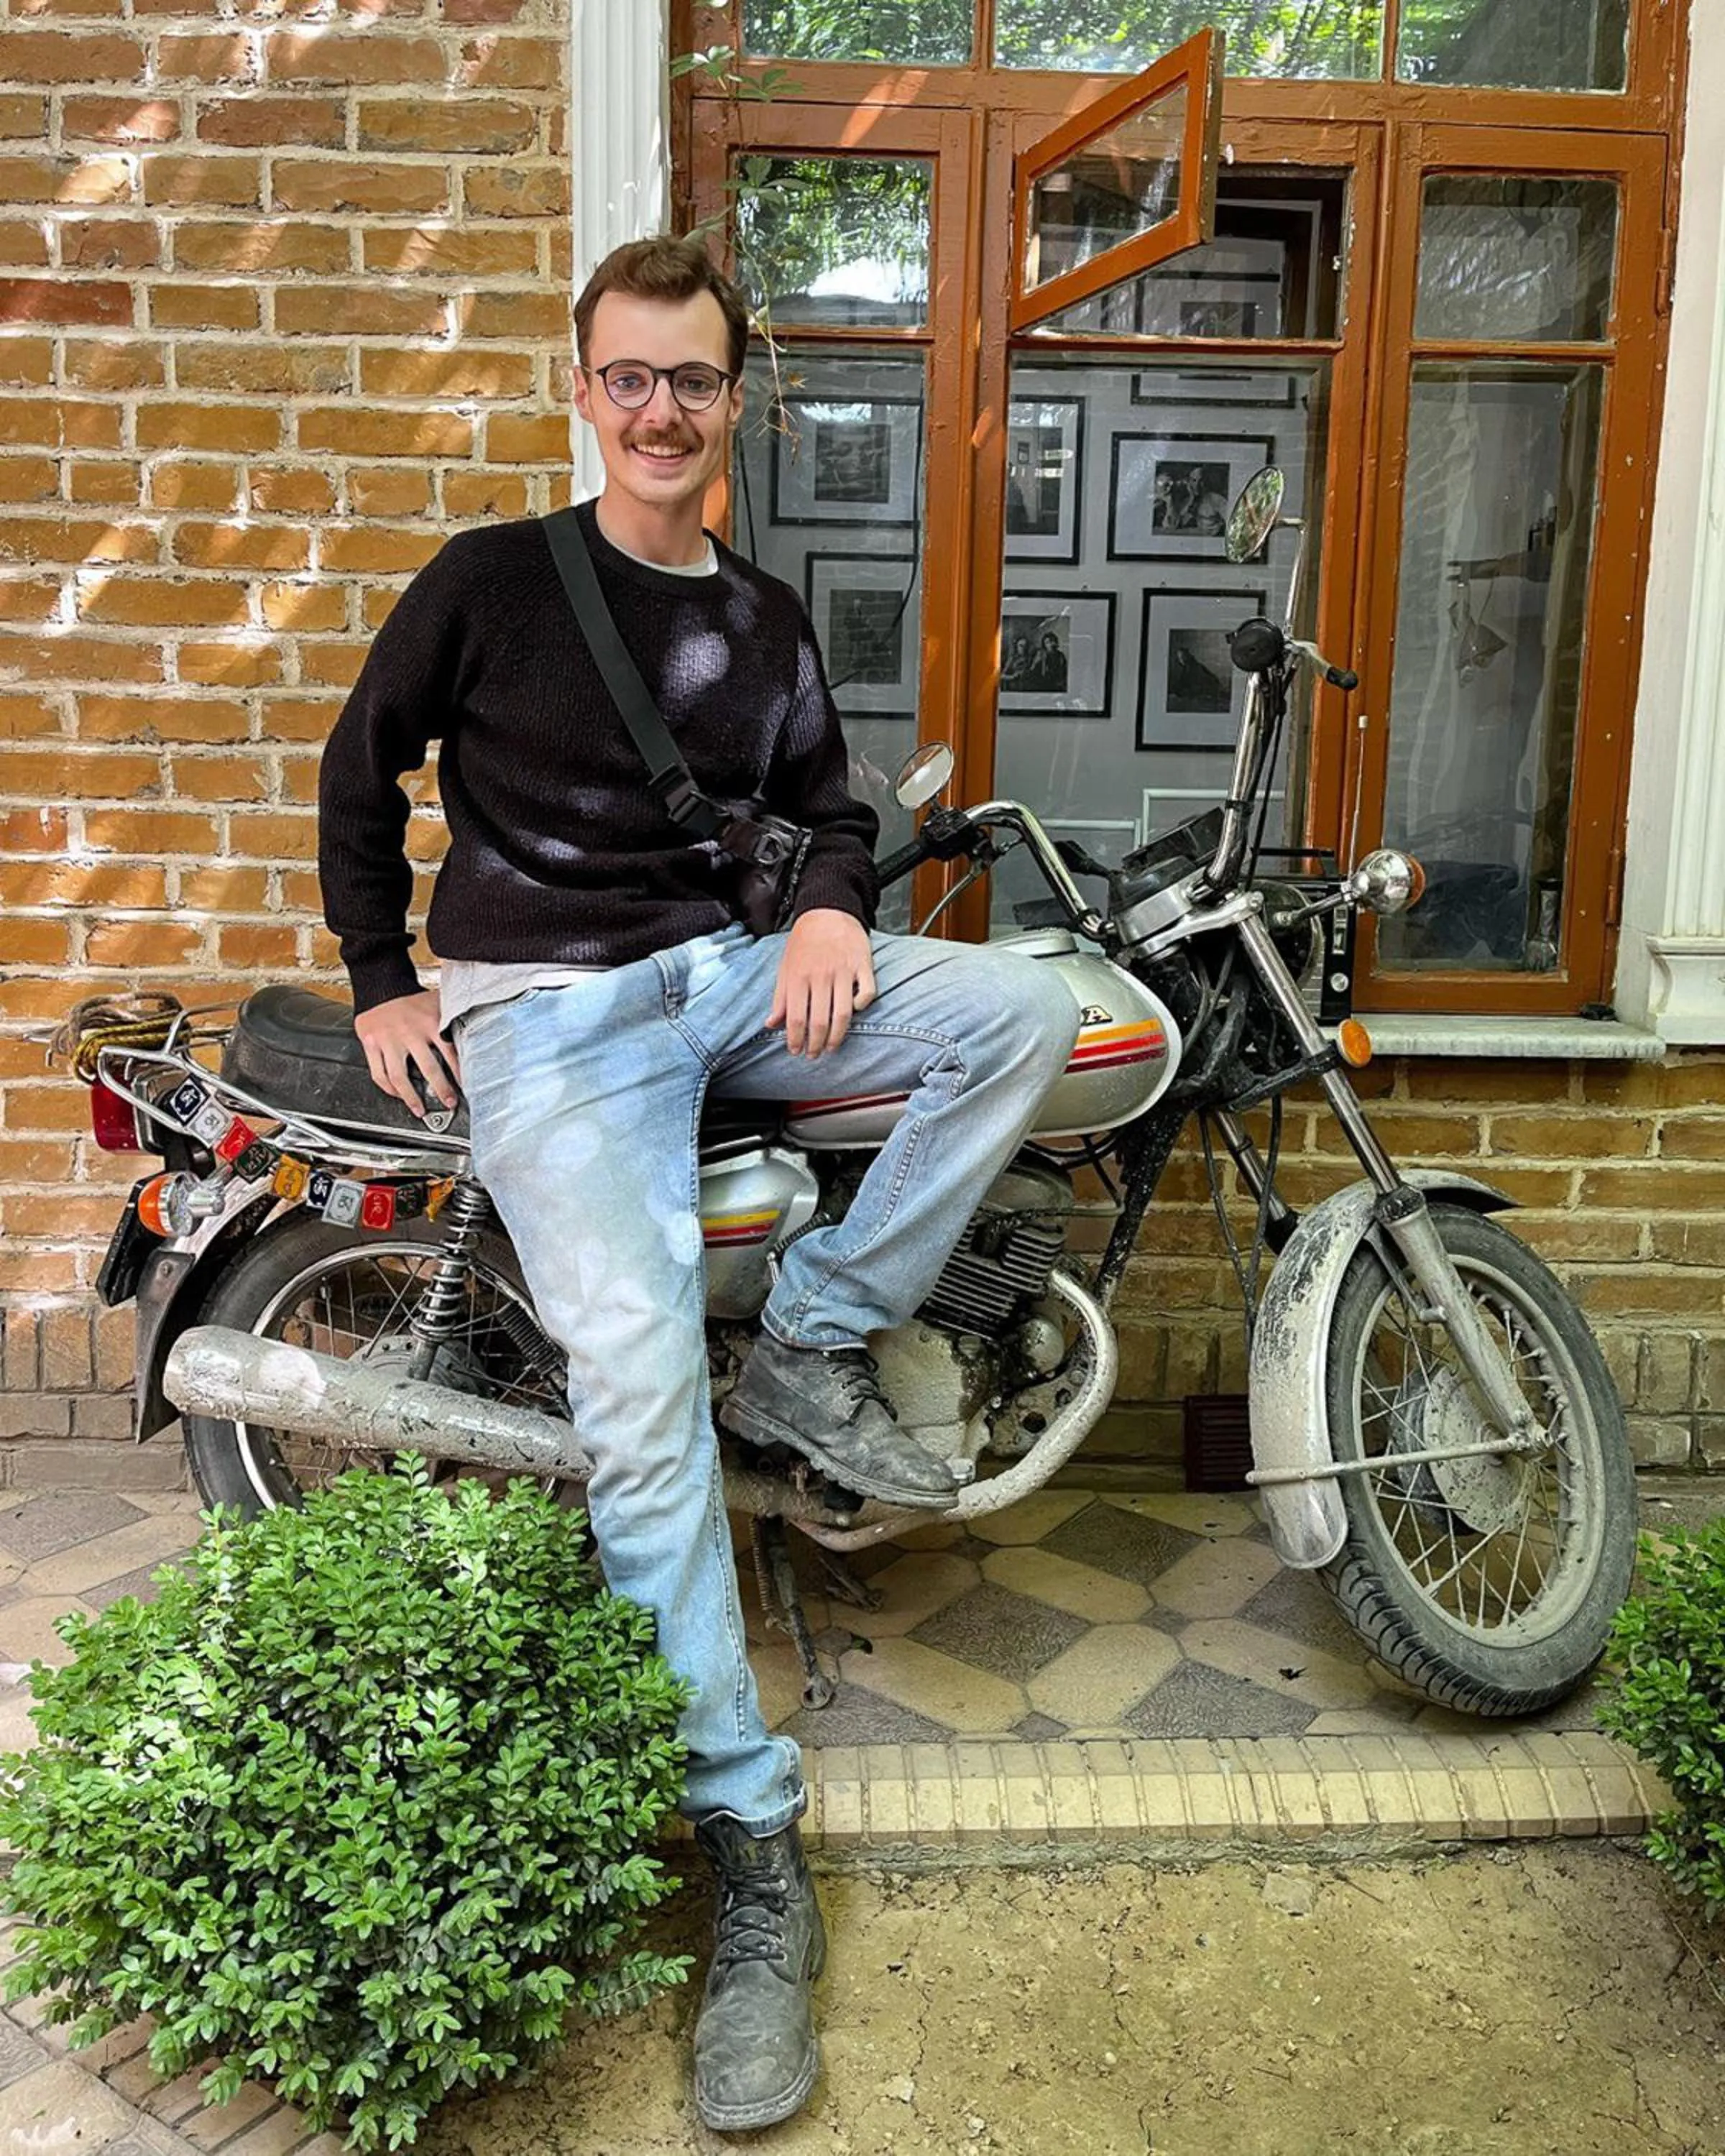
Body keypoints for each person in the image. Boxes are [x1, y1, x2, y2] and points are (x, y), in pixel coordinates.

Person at [316, 234, 1081, 2134]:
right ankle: (749, 1835)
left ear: (741, 399)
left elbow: (831, 795)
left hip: (727, 973)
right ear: (584, 389)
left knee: (1019, 1018)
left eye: (697, 379)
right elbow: (358, 765)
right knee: (639, 1399)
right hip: (554, 1016)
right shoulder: (494, 581)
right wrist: (386, 975)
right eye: (630, 376)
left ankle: (814, 1339)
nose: (663, 410)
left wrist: (829, 901)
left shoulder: (761, 609)